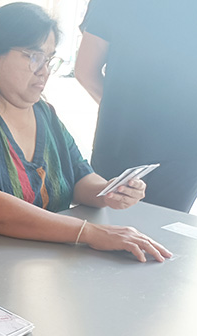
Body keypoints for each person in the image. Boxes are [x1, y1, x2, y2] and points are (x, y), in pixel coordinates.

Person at [0, 2, 171, 263]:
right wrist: (88, 232)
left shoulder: (44, 113)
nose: (44, 71)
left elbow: (79, 176)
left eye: (49, 59)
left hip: (24, 262)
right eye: (33, 57)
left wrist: (109, 192)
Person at [75, 0, 197, 213]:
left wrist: (124, 112)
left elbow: (85, 70)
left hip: (176, 149)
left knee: (118, 226)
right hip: (128, 145)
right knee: (114, 223)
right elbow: (85, 70)